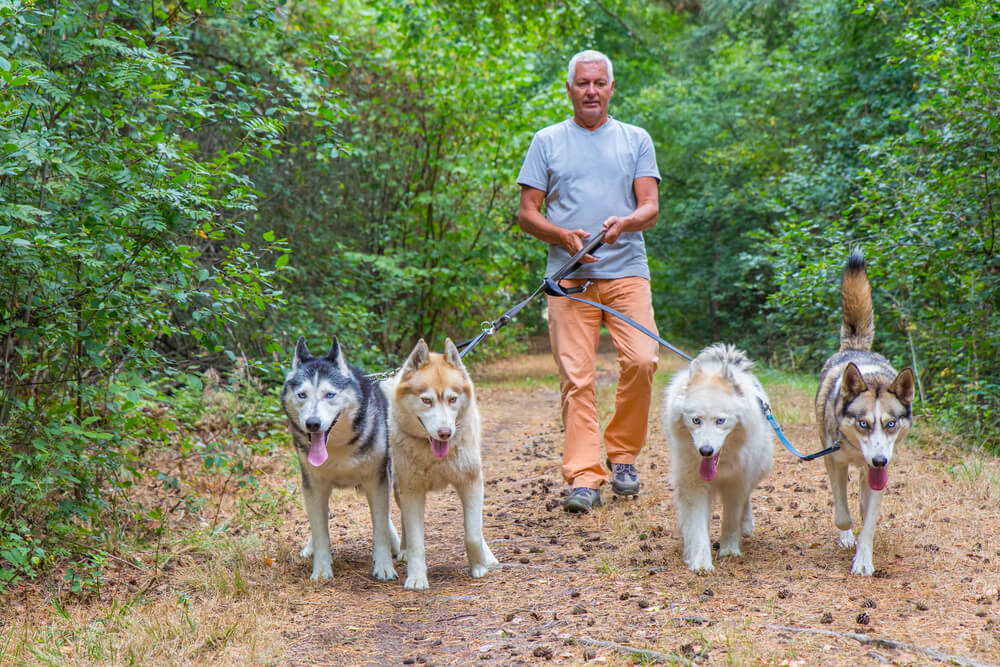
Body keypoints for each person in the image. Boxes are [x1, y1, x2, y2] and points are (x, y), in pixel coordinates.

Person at [516, 49, 661, 513]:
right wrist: (561, 234)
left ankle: (622, 457)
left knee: (642, 360)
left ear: (612, 88)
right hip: (568, 279)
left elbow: (650, 207)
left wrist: (626, 223)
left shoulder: (636, 138)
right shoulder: (546, 141)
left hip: (626, 272)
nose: (591, 91)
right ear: (570, 89)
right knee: (576, 380)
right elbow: (527, 214)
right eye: (583, 83)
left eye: (599, 83)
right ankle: (583, 475)